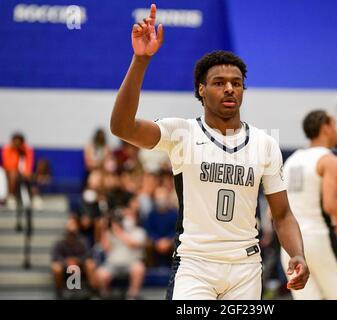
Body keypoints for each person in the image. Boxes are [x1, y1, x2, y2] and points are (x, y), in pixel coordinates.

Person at [110, 4, 309, 300]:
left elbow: (282, 214)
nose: (230, 89)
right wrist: (140, 60)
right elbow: (122, 127)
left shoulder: (265, 143)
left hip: (246, 267)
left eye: (236, 83)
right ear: (201, 90)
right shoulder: (182, 133)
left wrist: (297, 254)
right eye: (219, 83)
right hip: (195, 265)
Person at [280, 110, 337, 300]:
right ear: (325, 128)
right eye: (335, 126)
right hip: (318, 240)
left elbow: (284, 208)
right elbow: (330, 204)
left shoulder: (291, 161)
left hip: (289, 244)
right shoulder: (331, 160)